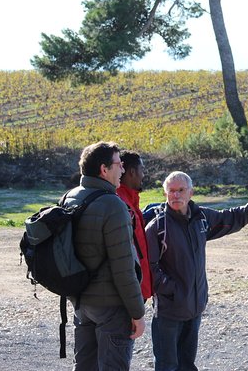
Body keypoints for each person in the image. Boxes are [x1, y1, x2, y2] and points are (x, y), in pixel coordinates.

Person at [145, 171, 248, 371]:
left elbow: (233, 216)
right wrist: (174, 291)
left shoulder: (201, 218)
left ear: (191, 192)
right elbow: (149, 269)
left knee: (187, 365)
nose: (176, 195)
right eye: (171, 191)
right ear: (165, 194)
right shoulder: (157, 227)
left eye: (180, 190)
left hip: (194, 309)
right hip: (168, 313)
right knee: (167, 366)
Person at [63, 141, 146, 370]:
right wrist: (137, 313)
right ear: (104, 169)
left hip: (81, 302)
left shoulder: (70, 197)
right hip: (111, 307)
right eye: (119, 164)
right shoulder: (114, 205)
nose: (122, 170)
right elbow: (124, 269)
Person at [117, 150, 153, 301]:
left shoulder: (129, 200)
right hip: (129, 290)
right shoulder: (120, 203)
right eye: (142, 170)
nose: (143, 175)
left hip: (135, 287)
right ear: (132, 172)